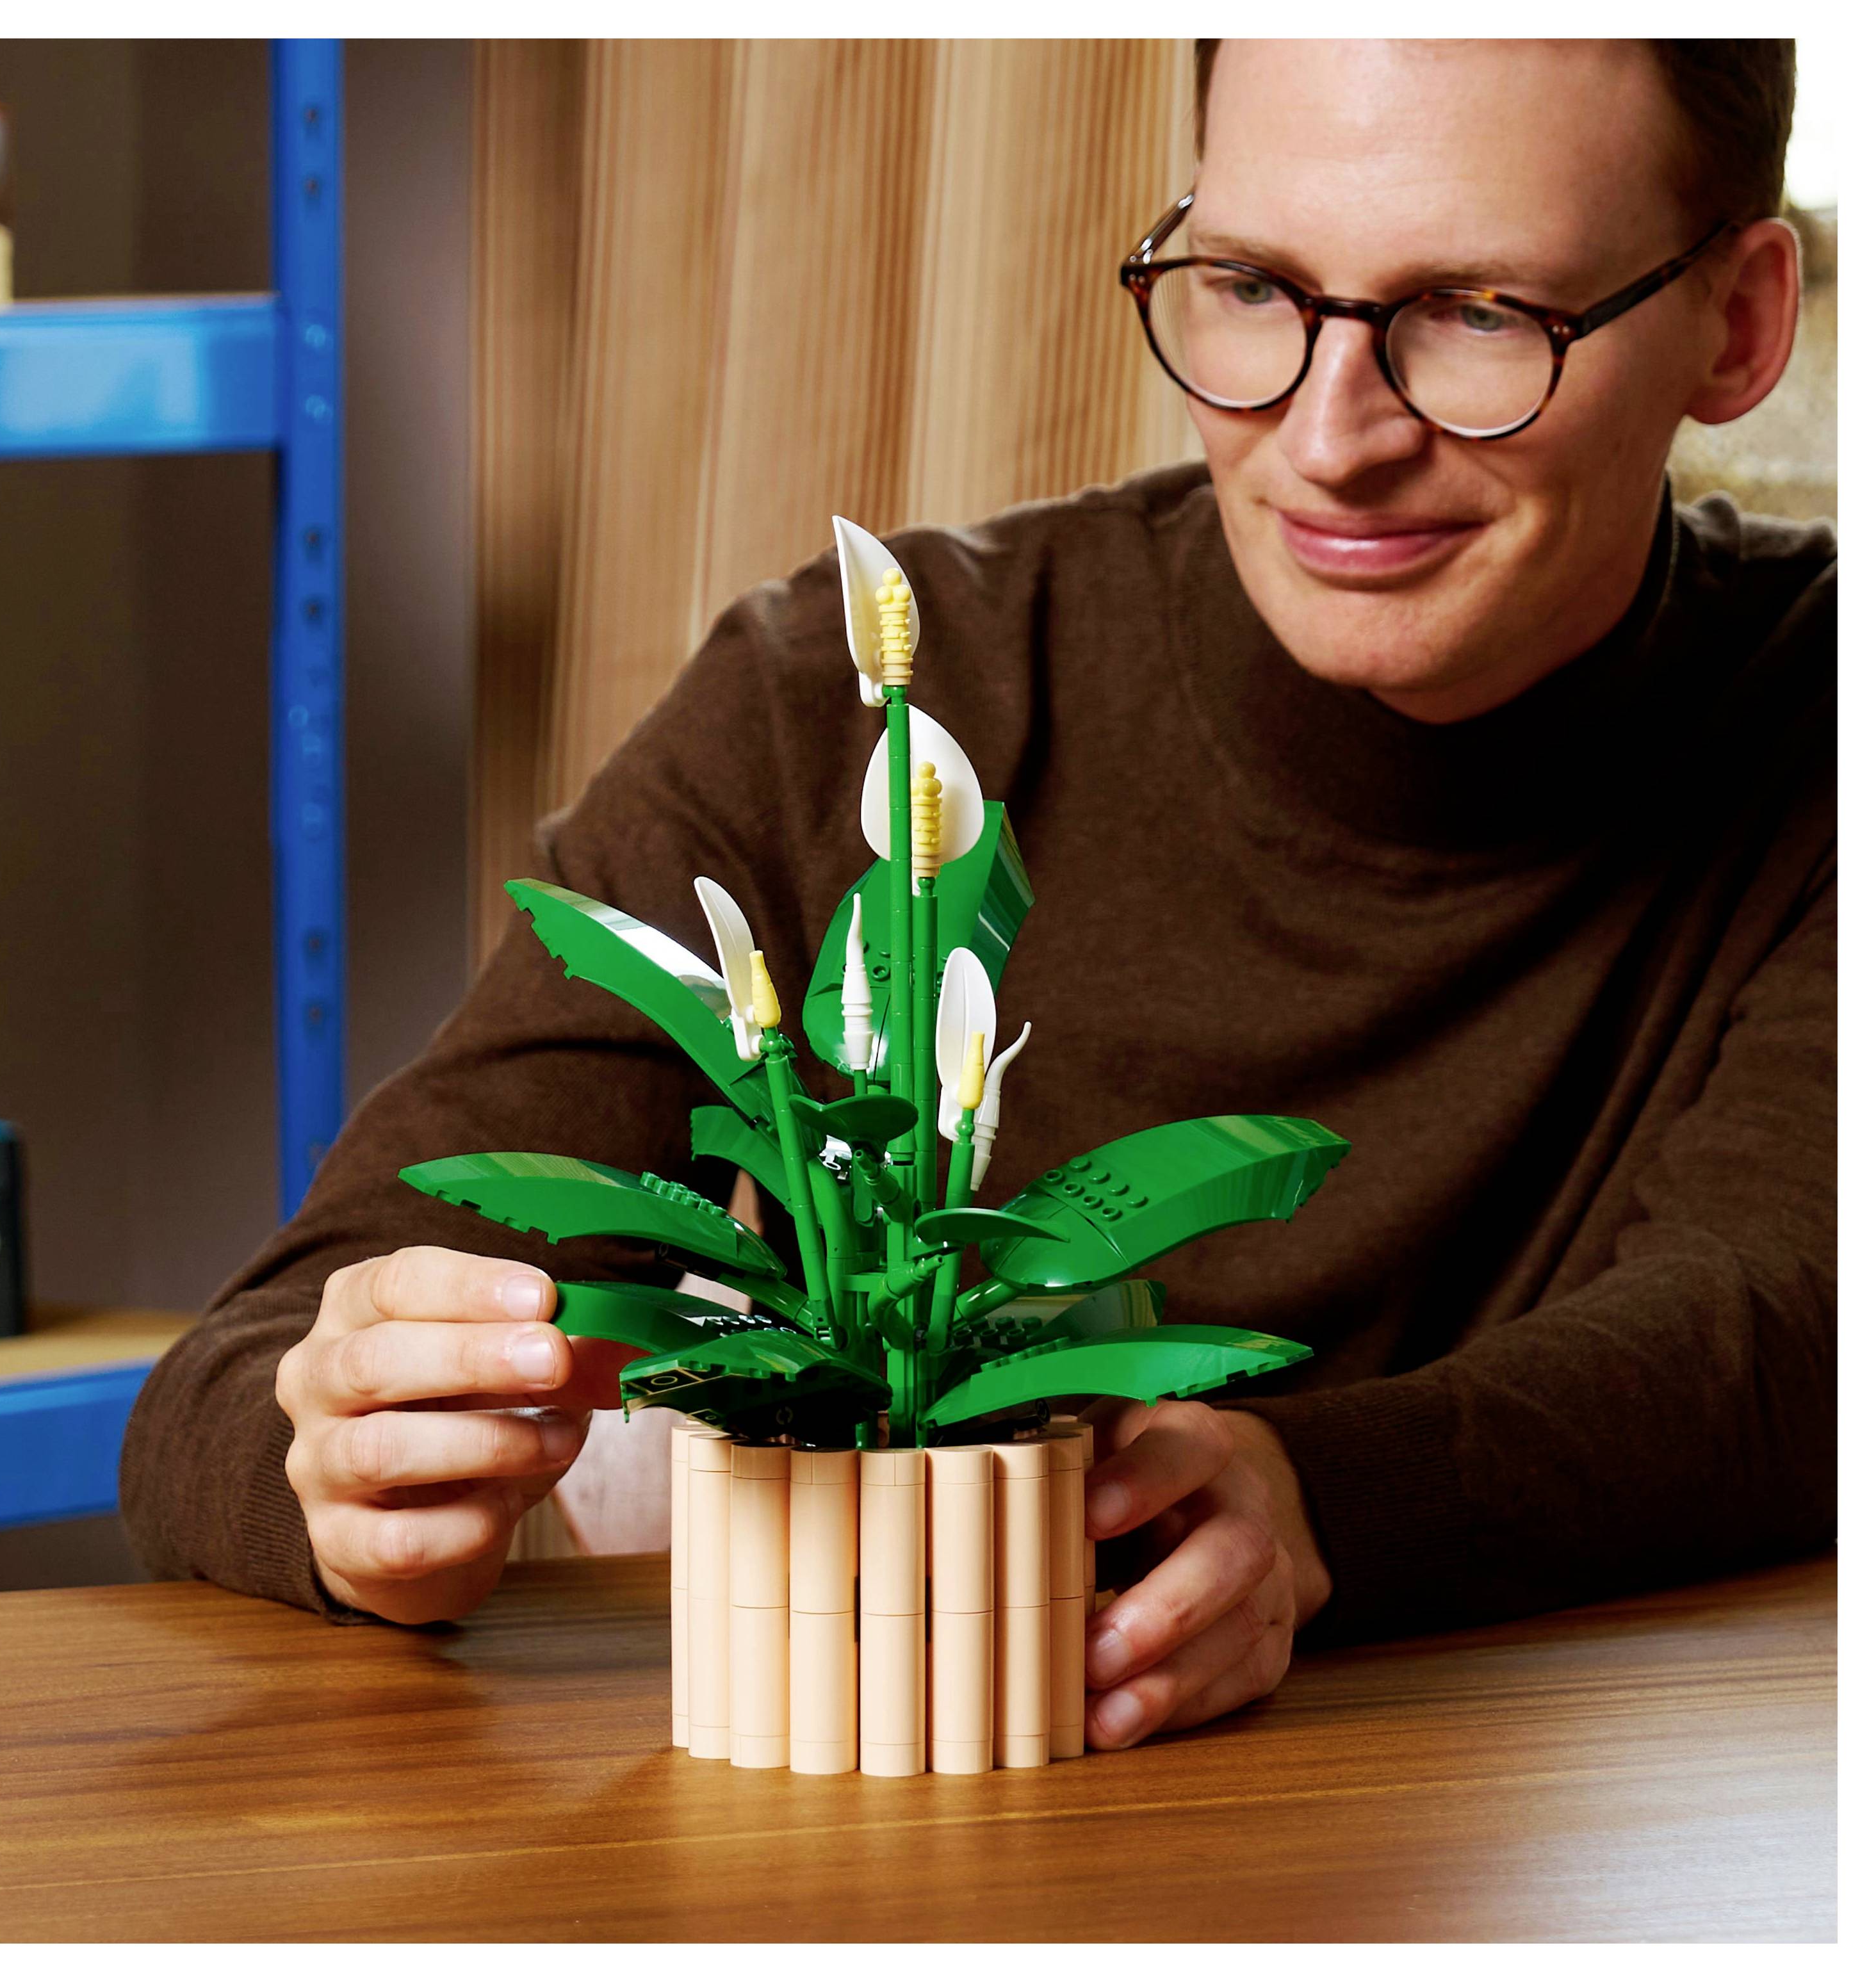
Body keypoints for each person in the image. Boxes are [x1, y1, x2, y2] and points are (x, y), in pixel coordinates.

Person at [120, 38, 1834, 1753]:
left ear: (1742, 324)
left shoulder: (1827, 720)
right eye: (1247, 286)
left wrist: (1319, 1507)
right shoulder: (863, 696)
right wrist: (341, 1468)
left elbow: (1779, 1347)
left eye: (1477, 313)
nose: (1326, 439)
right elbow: (248, 1366)